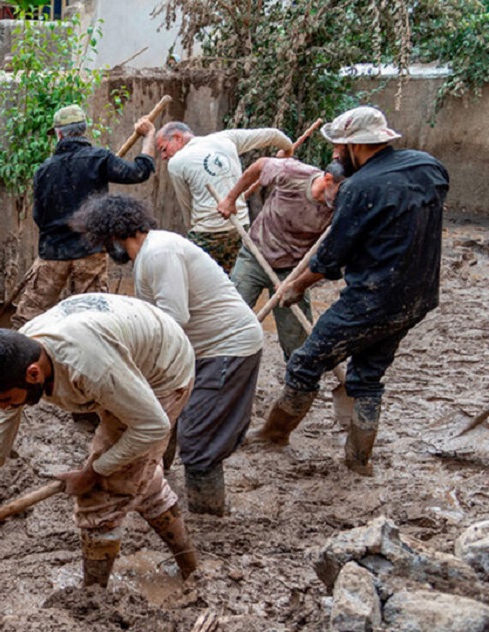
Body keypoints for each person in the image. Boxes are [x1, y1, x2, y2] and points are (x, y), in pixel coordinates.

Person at [0, 294, 199, 590]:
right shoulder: (16, 359)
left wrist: (92, 473)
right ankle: (193, 570)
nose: (5, 407)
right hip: (125, 357)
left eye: (7, 400)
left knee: (101, 494)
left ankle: (93, 600)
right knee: (139, 475)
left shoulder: (89, 366)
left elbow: (152, 425)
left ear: (33, 374)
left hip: (163, 371)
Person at [259, 106, 449, 475]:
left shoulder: (360, 189)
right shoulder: (429, 167)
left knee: (305, 362)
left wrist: (295, 286)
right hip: (419, 295)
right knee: (367, 375)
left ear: (355, 146)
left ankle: (274, 435)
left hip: (373, 297)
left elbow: (330, 259)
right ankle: (359, 460)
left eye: (337, 148)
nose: (334, 156)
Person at [72, 195, 263, 515]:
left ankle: (208, 521)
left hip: (227, 348)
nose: (107, 251)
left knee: (200, 442)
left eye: (105, 243)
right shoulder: (149, 255)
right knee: (164, 421)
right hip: (197, 351)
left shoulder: (160, 253)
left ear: (115, 235)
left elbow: (172, 321)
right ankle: (160, 488)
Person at [11, 105, 156, 327]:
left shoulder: (44, 170)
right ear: (84, 129)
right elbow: (139, 171)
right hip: (90, 252)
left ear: (59, 134)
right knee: (92, 318)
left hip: (52, 253)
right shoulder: (99, 158)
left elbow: (38, 216)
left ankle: (18, 356)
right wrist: (148, 137)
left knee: (30, 317)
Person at [217, 158, 345, 360]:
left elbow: (330, 258)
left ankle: (297, 385)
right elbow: (259, 165)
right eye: (342, 190)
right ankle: (218, 369)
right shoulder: (291, 173)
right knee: (231, 318)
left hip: (293, 269)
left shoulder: (342, 209)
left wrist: (297, 284)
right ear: (328, 179)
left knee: (297, 337)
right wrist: (231, 199)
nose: (347, 197)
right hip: (255, 255)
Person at [156, 121, 292, 271]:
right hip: (240, 230)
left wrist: (194, 235)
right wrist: (287, 151)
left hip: (207, 235)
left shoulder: (176, 162)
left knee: (194, 286)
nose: (163, 156)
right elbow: (273, 135)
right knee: (233, 284)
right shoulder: (226, 138)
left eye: (163, 149)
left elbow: (187, 207)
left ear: (177, 137)